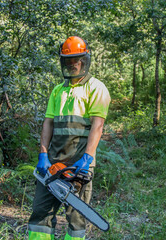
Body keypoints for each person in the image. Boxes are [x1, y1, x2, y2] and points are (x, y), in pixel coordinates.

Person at [28, 36, 111, 240]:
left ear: (84, 59)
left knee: (76, 219)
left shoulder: (96, 88)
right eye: (68, 60)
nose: (72, 64)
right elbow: (48, 123)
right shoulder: (58, 90)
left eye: (76, 59)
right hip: (52, 163)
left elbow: (97, 126)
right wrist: (43, 154)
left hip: (78, 163)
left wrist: (88, 158)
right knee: (40, 214)